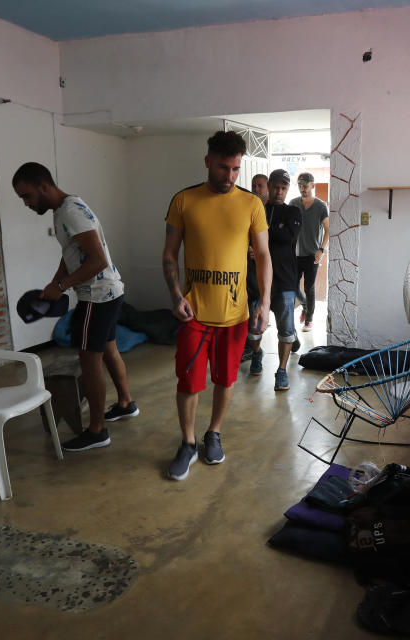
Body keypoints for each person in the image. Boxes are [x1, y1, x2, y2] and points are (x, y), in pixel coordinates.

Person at [162, 131, 271, 481]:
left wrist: (265, 301)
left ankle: (214, 433)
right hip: (194, 312)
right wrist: (175, 295)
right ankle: (188, 442)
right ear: (208, 161)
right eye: (223, 167)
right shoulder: (183, 200)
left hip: (235, 313)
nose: (229, 176)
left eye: (236, 169)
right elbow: (169, 254)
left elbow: (264, 255)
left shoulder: (251, 204)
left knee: (226, 379)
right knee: (189, 382)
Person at [12, 162, 138, 453]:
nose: (26, 203)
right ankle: (125, 403)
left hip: (97, 295)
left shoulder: (69, 211)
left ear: (44, 186)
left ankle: (97, 431)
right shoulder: (66, 209)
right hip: (108, 292)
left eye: (27, 196)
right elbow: (72, 253)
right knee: (108, 348)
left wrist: (61, 287)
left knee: (89, 360)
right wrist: (54, 283)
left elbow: (97, 260)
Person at [246, 169, 302, 390]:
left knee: (286, 331)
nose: (279, 191)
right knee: (254, 329)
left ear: (287, 189)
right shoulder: (255, 210)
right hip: (255, 282)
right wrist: (249, 246)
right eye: (276, 187)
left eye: (284, 188)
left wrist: (259, 241)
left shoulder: (293, 212)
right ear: (269, 186)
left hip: (284, 282)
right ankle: (257, 354)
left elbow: (287, 237)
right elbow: (244, 237)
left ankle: (281, 370)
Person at [289, 172, 330, 332]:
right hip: (295, 254)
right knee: (292, 284)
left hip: (313, 254)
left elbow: (328, 229)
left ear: (312, 185)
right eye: (299, 185)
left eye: (305, 186)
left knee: (309, 287)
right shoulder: (293, 203)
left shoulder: (320, 206)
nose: (302, 188)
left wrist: (321, 249)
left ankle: (309, 320)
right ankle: (305, 305)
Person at [243, 173, 269, 362]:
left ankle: (292, 340)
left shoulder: (272, 210)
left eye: (260, 185)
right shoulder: (246, 207)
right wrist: (247, 247)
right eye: (254, 185)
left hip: (267, 272)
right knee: (249, 315)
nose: (256, 189)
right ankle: (253, 350)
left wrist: (259, 249)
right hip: (246, 273)